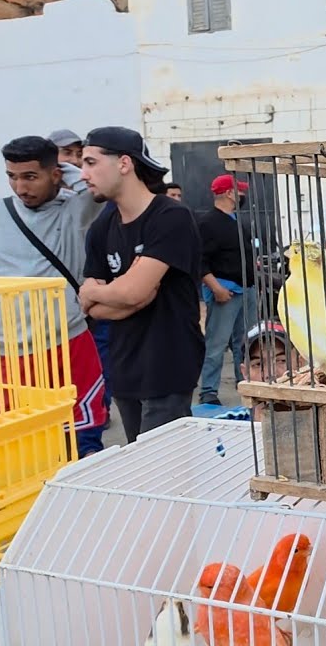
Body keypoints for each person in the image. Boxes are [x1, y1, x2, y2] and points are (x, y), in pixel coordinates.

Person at [0, 136, 108, 457]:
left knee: (80, 446)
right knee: (10, 448)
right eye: (12, 176)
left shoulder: (74, 210)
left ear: (55, 175)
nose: (20, 187)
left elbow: (96, 192)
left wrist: (64, 168)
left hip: (63, 345)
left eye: (30, 176)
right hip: (1, 353)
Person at [79, 126, 203, 443]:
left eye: (91, 162)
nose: (83, 174)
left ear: (124, 163)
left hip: (168, 365)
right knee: (140, 473)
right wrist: (120, 295)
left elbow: (131, 292)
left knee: (165, 472)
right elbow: (90, 304)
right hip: (124, 369)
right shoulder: (101, 228)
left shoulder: (170, 216)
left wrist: (118, 293)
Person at [197, 174, 257, 406]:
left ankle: (245, 379)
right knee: (216, 343)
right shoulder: (208, 223)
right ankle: (208, 391)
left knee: (246, 340)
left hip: (246, 290)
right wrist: (216, 288)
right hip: (226, 291)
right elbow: (200, 260)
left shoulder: (235, 221)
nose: (242, 195)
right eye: (239, 191)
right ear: (229, 193)